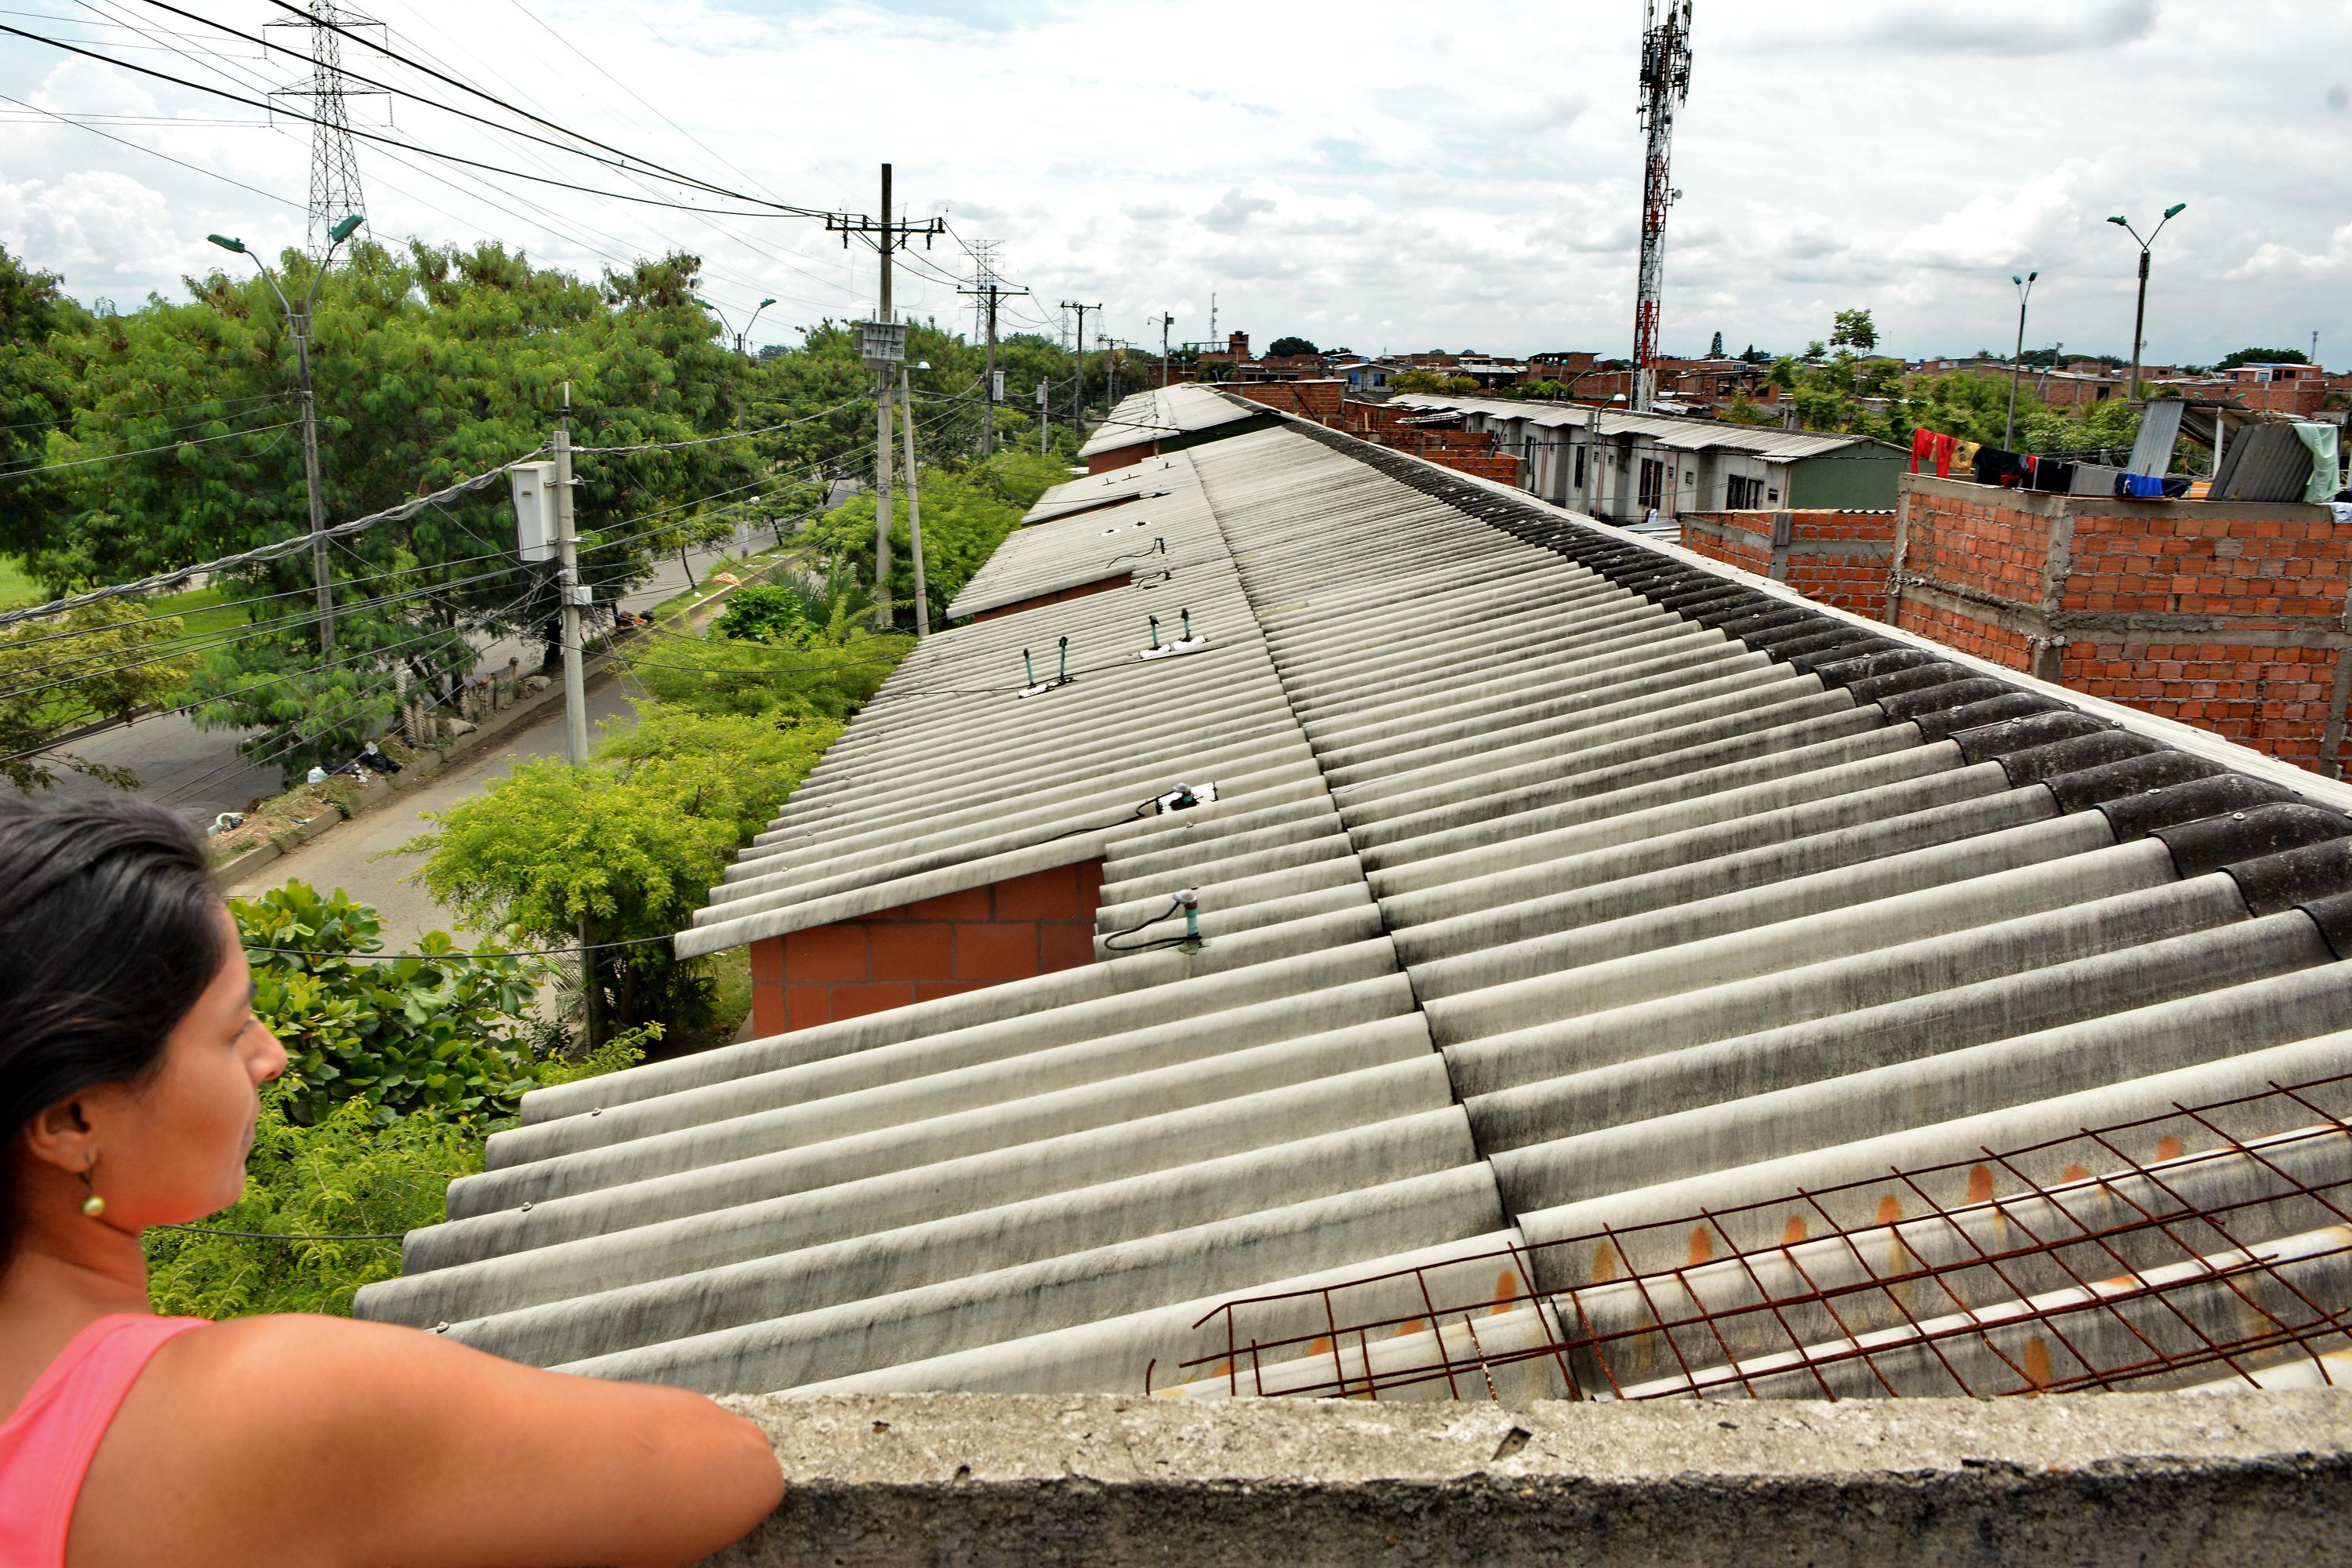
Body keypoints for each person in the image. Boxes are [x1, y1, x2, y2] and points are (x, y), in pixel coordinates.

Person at [0, 796, 783, 1568]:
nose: (271, 1055)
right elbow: (729, 1463)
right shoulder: (257, 1406)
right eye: (234, 1025)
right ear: (72, 1117)